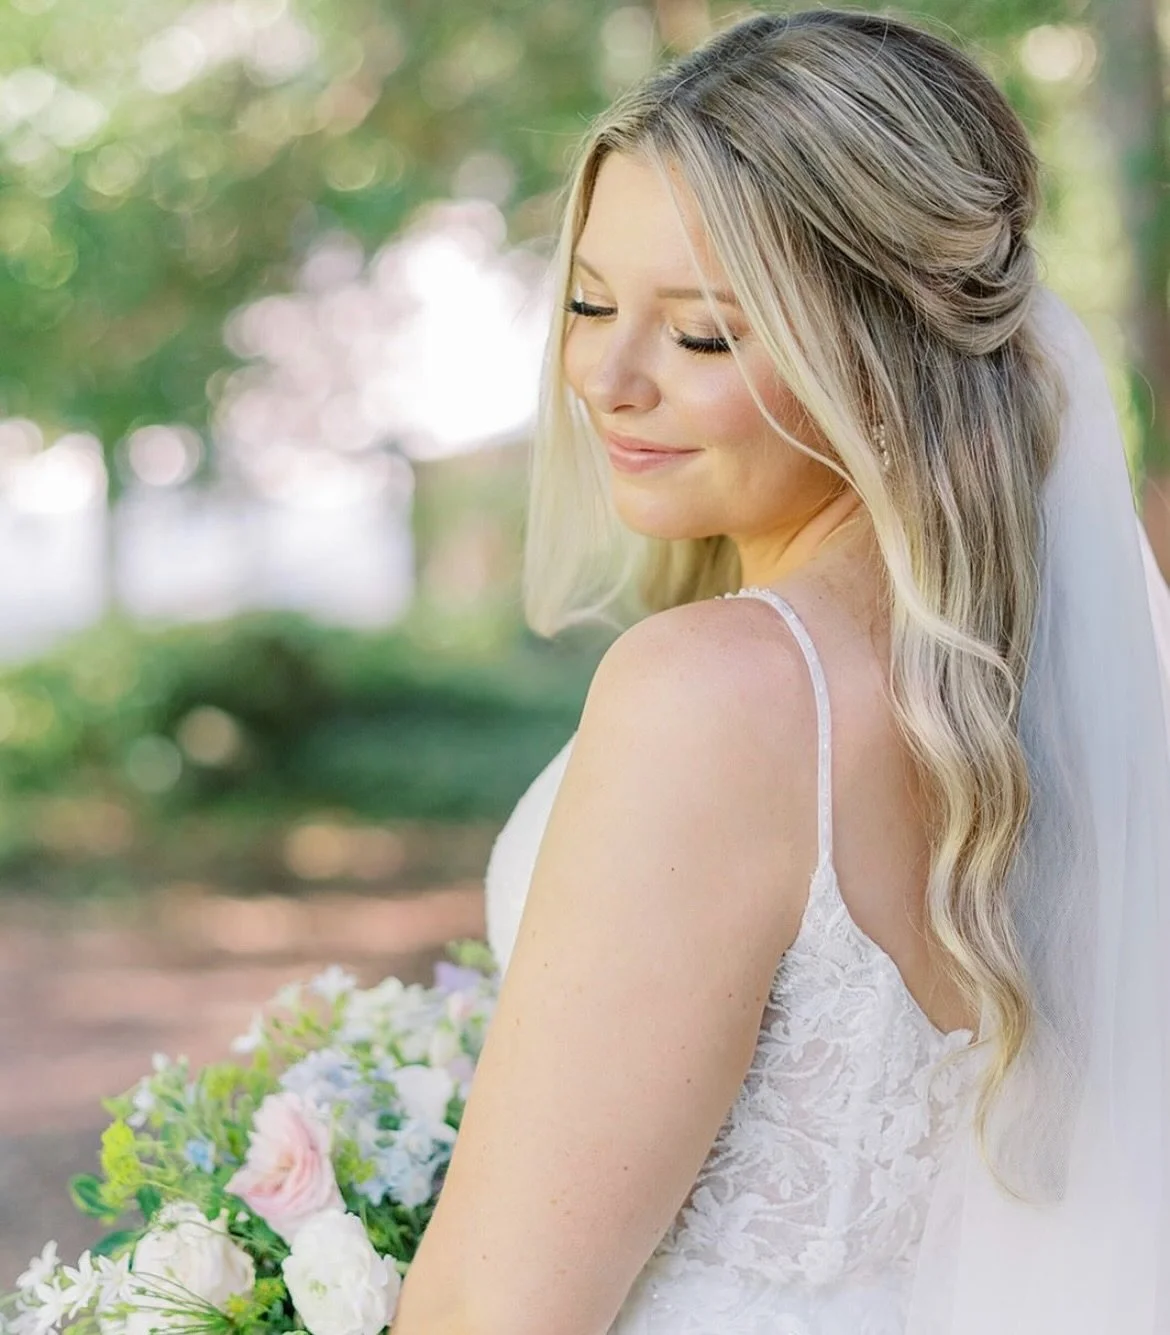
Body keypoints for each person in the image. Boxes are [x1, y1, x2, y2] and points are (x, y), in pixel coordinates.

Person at [391, 10, 1170, 1334]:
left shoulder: (711, 694)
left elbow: (495, 1310)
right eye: (588, 303)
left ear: (879, 356)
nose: (606, 377)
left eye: (701, 335)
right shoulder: (1039, 698)